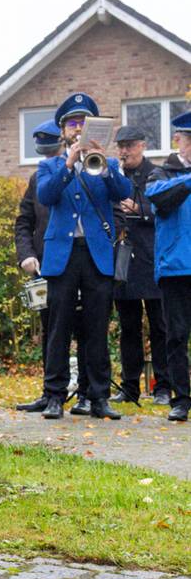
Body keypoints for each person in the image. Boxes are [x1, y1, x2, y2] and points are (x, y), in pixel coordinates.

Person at [37, 93, 131, 420]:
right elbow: (46, 195)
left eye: (83, 122)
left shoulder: (109, 164)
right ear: (63, 130)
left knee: (96, 326)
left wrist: (103, 166)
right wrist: (68, 164)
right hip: (63, 255)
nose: (77, 128)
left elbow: (124, 193)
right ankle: (53, 395)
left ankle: (99, 396)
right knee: (58, 327)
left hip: (96, 254)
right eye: (72, 123)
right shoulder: (49, 165)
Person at [14, 120, 93, 414]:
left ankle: (86, 393)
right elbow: (24, 221)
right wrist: (26, 255)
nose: (47, 157)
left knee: (85, 328)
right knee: (51, 329)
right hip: (45, 266)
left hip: (80, 261)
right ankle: (50, 393)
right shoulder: (39, 178)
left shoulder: (83, 174)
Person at [111, 125, 172, 406]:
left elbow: (164, 210)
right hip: (125, 261)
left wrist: (140, 211)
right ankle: (130, 387)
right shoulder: (114, 174)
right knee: (129, 328)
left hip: (152, 258)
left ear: (143, 146)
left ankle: (163, 386)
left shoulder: (156, 173)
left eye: (130, 145)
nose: (125, 151)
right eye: (121, 146)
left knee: (161, 327)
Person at [146, 112, 191, 422]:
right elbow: (158, 200)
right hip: (175, 268)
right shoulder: (162, 173)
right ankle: (181, 399)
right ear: (179, 141)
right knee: (176, 336)